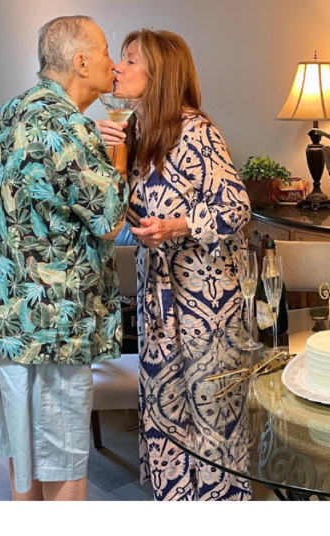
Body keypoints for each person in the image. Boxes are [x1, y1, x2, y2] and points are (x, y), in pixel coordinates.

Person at [0, 15, 128, 501]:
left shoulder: (2, 115)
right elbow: (110, 222)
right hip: (54, 333)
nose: (112, 64)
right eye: (104, 52)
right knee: (64, 467)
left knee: (26, 463)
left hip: (3, 324)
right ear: (81, 62)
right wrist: (118, 156)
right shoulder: (72, 128)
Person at [100, 29, 251, 502]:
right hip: (158, 296)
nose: (116, 69)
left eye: (128, 60)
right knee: (164, 409)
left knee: (211, 413)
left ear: (159, 73)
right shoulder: (135, 131)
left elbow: (235, 206)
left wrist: (177, 226)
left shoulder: (197, 131)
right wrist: (114, 155)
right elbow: (117, 210)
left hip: (208, 297)